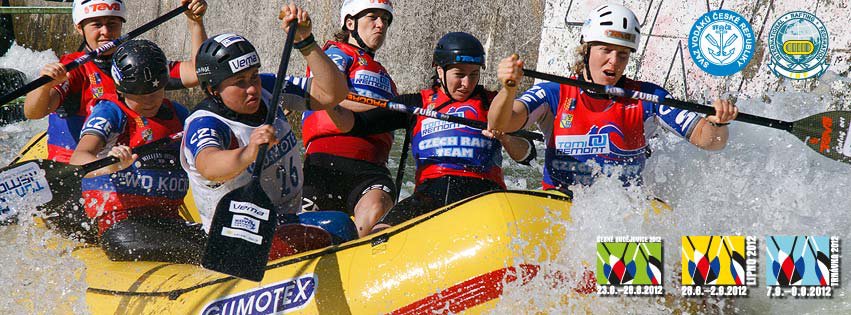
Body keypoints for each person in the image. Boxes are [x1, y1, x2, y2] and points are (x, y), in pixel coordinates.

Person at [489, 4, 738, 195]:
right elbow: (501, 125)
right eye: (606, 50)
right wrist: (508, 90)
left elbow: (709, 141)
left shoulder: (647, 98)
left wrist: (718, 123)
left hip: (623, 213)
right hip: (561, 212)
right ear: (585, 50)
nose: (614, 62)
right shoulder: (553, 93)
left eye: (622, 54)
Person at [180, 4, 351, 258]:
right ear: (213, 89)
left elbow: (333, 94)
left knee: (340, 223)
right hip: (236, 233)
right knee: (339, 226)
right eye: (239, 83)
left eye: (254, 76)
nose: (252, 88)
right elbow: (209, 165)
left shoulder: (269, 89)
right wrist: (248, 152)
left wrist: (306, 42)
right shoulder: (207, 123)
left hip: (284, 218)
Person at [327, 32, 535, 231]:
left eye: (474, 75)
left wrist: (505, 138)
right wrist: (325, 100)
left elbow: (527, 154)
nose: (467, 83)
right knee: (379, 233)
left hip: (483, 191)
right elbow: (354, 123)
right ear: (440, 71)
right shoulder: (416, 104)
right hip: (431, 193)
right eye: (459, 75)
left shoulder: (493, 103)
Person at [23, 0, 208, 163]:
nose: (106, 32)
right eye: (96, 25)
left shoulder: (137, 62)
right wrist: (44, 85)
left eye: (112, 24)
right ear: (79, 28)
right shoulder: (73, 68)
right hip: (74, 163)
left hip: (124, 163)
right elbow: (34, 113)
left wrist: (195, 22)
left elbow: (198, 72)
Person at [69, 40, 202, 263]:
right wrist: (112, 164)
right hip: (120, 224)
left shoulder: (178, 114)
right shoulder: (110, 111)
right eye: (139, 95)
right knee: (123, 239)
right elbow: (78, 159)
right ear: (121, 89)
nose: (149, 100)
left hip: (166, 221)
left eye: (155, 91)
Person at [300, 0, 397, 237]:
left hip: (372, 168)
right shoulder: (334, 55)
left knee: (375, 209)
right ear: (350, 23)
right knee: (306, 231)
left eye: (385, 20)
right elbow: (328, 93)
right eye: (373, 17)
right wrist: (382, 109)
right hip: (325, 161)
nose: (380, 25)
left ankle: (357, 254)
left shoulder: (386, 77)